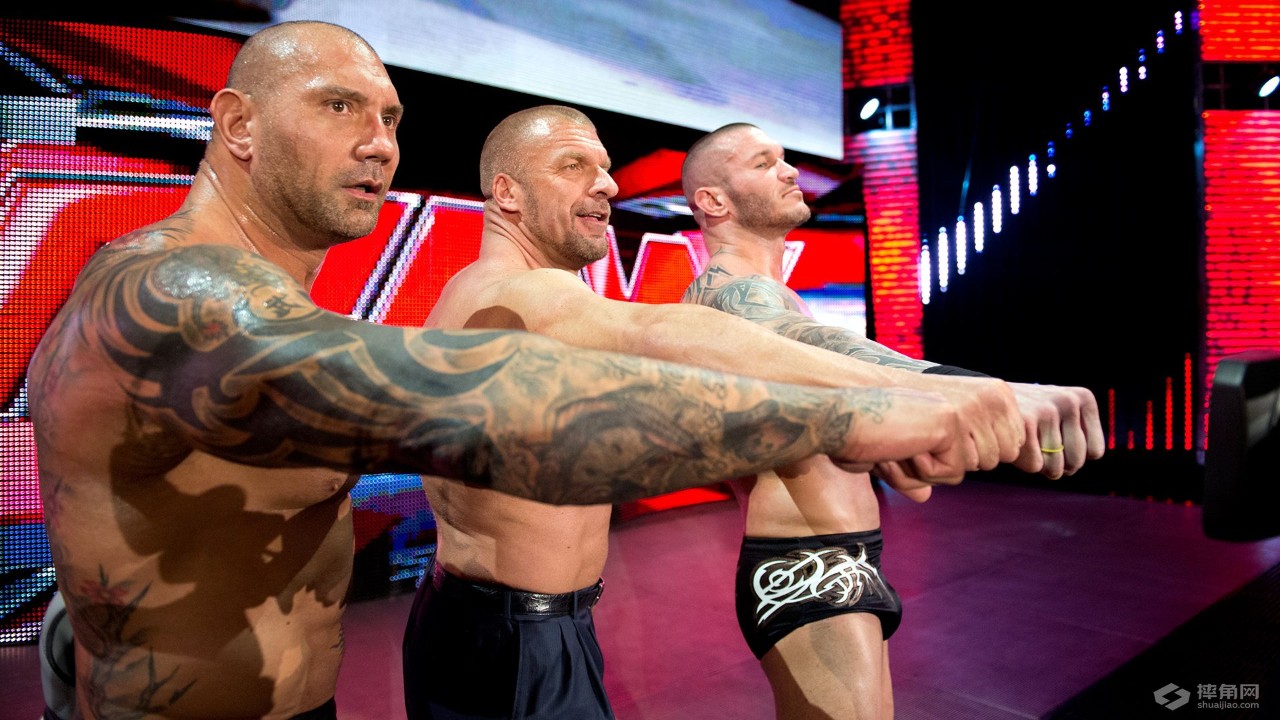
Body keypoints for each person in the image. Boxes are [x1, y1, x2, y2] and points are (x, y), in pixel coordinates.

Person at [27, 23, 986, 720]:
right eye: (338, 106)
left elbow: (115, 556)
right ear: (237, 124)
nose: (379, 142)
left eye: (391, 116)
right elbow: (515, 403)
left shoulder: (271, 306)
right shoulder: (178, 291)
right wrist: (870, 411)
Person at [400, 104, 1073, 720]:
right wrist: (936, 390)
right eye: (574, 166)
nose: (606, 184)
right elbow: (666, 332)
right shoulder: (513, 292)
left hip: (525, 625)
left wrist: (880, 422)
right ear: (507, 192)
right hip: (510, 637)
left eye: (604, 168)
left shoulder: (521, 306)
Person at [679, 121, 1107, 718]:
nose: (790, 170)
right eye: (762, 162)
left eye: (784, 157)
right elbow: (796, 340)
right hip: (807, 566)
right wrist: (980, 389)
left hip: (844, 553)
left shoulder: (772, 291)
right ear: (713, 200)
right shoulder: (726, 292)